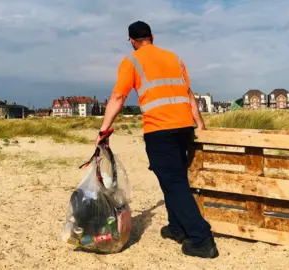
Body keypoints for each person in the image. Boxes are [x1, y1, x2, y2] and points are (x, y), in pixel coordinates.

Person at [95, 20, 219, 259]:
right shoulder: (174, 58)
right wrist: (199, 124)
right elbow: (188, 94)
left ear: (132, 41)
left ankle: (202, 240)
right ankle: (176, 227)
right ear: (152, 37)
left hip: (159, 129)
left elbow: (119, 96)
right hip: (184, 127)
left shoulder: (131, 60)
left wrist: (103, 129)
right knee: (173, 178)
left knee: (174, 182)